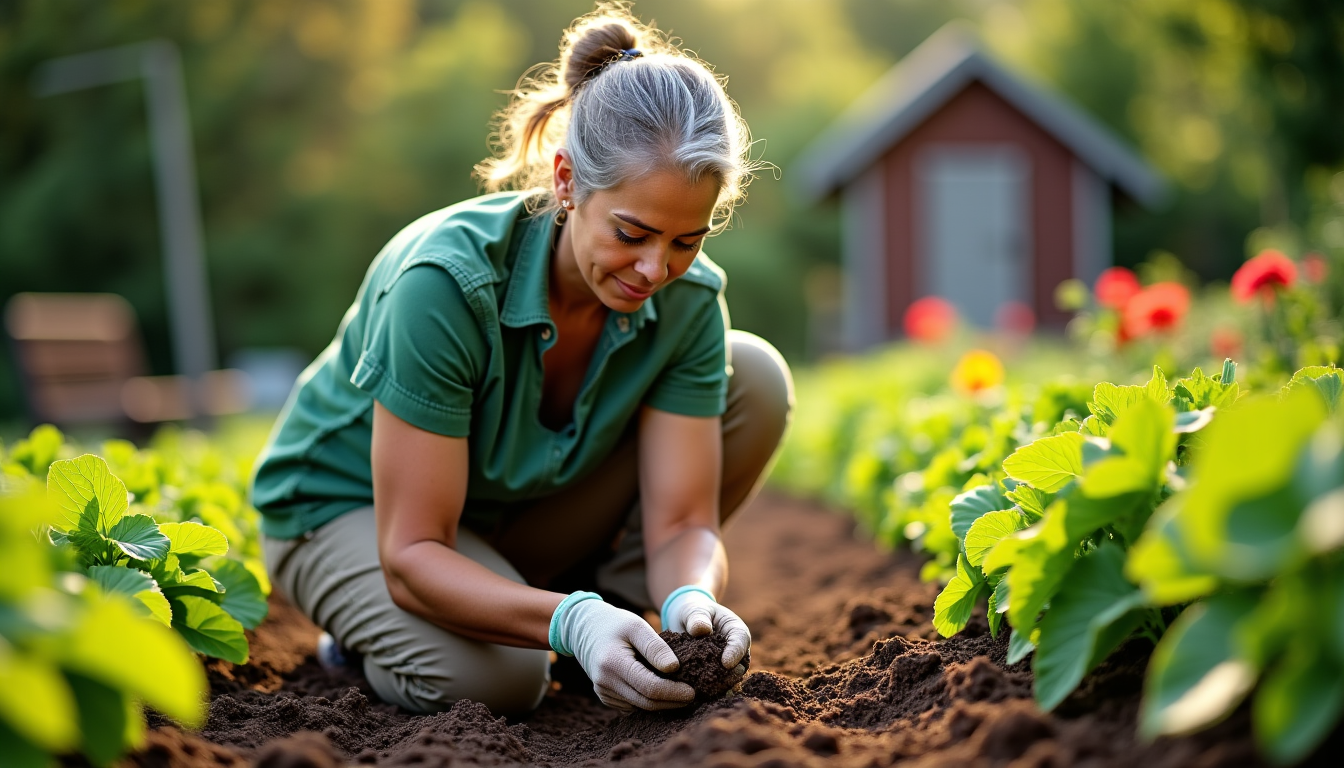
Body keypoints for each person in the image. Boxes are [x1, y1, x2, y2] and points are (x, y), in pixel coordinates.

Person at [251, 3, 792, 717]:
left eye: (686, 241)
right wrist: (570, 620)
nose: (656, 268)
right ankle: (378, 642)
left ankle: (623, 632)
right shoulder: (445, 285)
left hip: (498, 512)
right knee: (502, 680)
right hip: (352, 510)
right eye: (632, 232)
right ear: (567, 182)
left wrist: (692, 595)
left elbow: (683, 522)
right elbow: (414, 551)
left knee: (752, 377)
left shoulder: (686, 300)